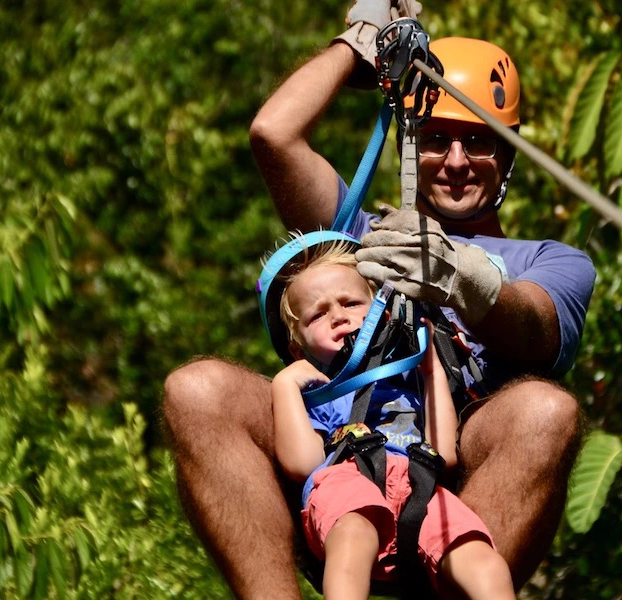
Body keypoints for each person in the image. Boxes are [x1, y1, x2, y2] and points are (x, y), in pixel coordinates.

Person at [164, 1, 595, 597]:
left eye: (478, 143)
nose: (457, 162)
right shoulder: (357, 234)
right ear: (410, 147)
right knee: (195, 389)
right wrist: (357, 46)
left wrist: (463, 279)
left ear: (508, 154)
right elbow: (273, 135)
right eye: (437, 140)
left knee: (548, 410)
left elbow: (535, 329)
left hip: (453, 472)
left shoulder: (553, 262)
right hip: (335, 455)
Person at [266, 234, 515, 599]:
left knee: (484, 561)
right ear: (297, 348)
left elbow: (443, 454)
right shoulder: (318, 391)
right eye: (318, 314)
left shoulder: (408, 379)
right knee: (354, 533)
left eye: (351, 303)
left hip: (418, 487)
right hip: (346, 484)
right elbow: (304, 464)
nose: (338, 317)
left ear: (382, 312)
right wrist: (285, 385)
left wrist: (431, 372)